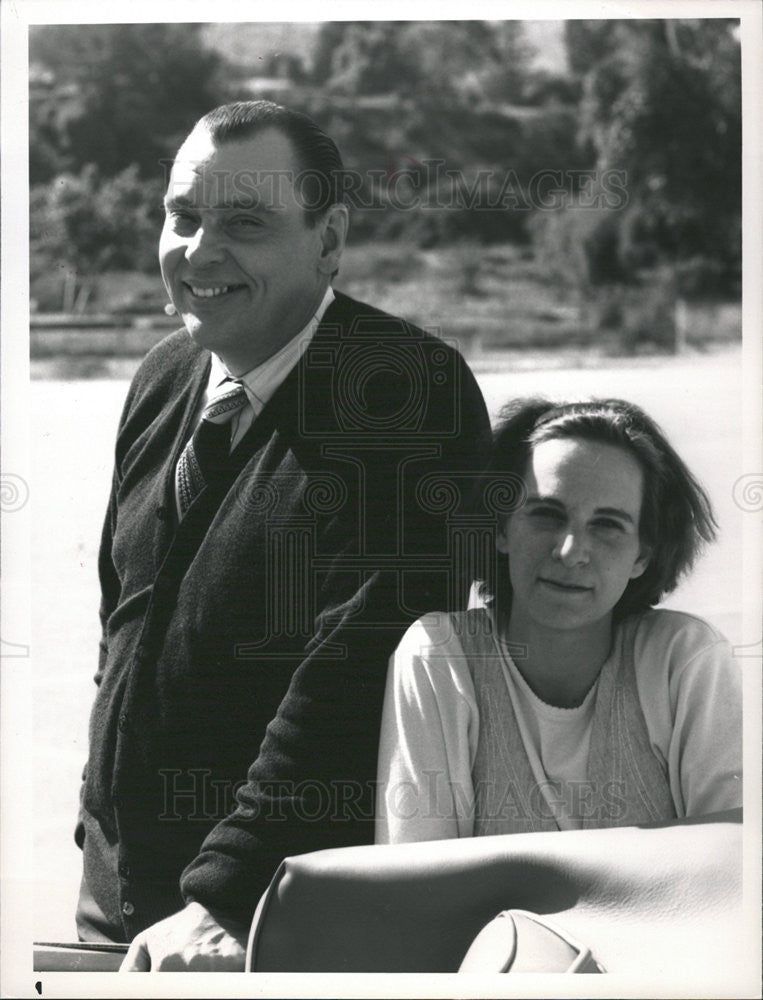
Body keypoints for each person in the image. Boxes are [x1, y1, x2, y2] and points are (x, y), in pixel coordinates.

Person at [76, 100, 491, 970]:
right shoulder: (166, 373)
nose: (198, 250)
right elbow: (125, 619)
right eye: (182, 216)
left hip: (266, 927)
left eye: (244, 223)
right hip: (123, 906)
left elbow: (359, 662)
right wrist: (99, 818)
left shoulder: (403, 391)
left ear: (329, 239)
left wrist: (232, 895)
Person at [376, 397, 742, 843]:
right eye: (546, 515)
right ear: (501, 528)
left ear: (642, 555)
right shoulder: (442, 658)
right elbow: (418, 881)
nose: (570, 552)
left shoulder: (682, 661)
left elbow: (733, 863)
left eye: (607, 526)